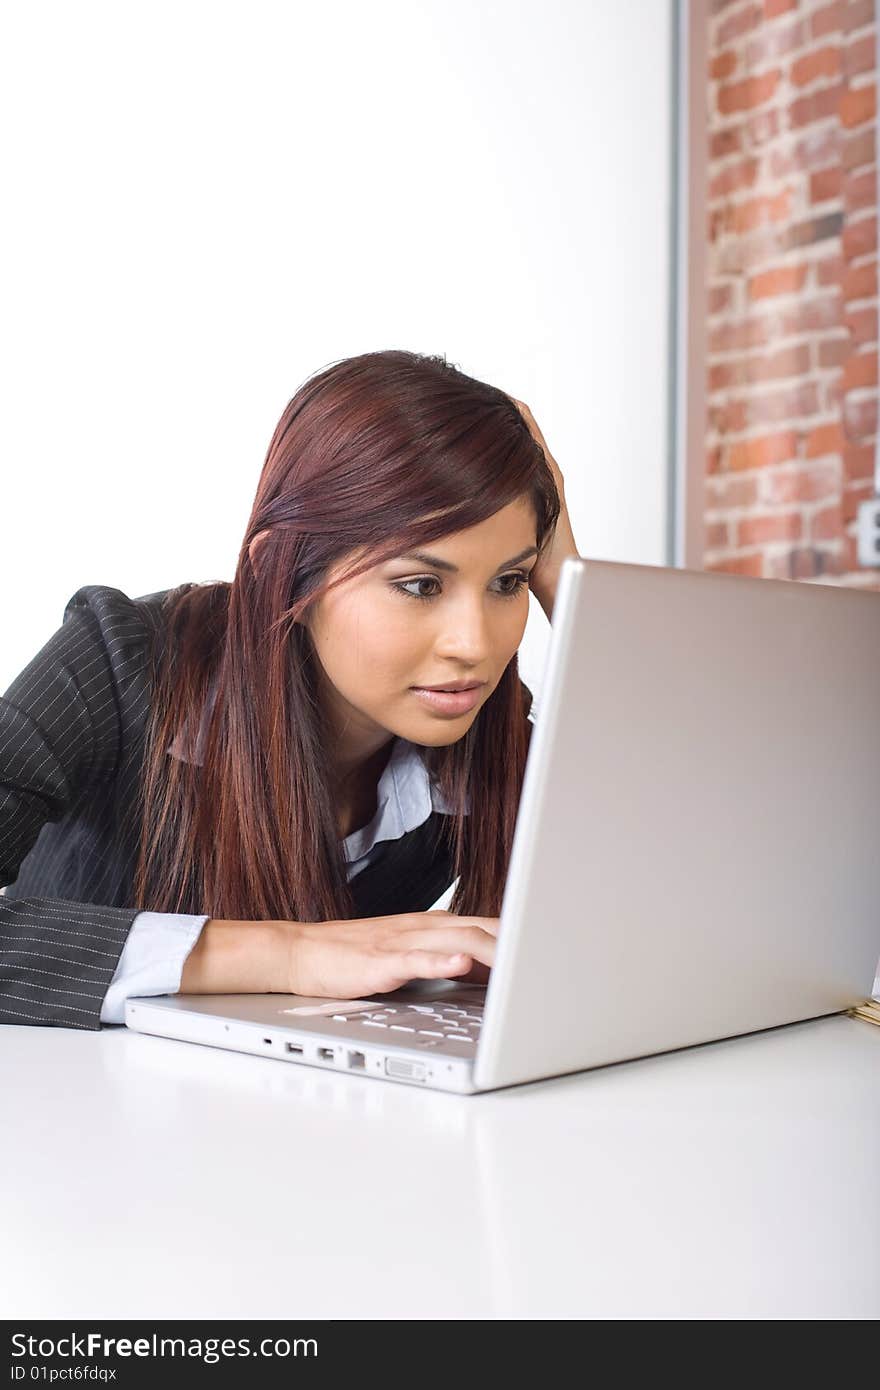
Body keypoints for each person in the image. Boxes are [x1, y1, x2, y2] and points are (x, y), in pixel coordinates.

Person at [0, 349, 580, 1028]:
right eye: (421, 585)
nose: (476, 645)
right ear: (284, 571)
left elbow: (681, 880)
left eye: (508, 582)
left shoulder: (485, 733)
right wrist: (288, 955)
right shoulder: (119, 661)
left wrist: (566, 576)